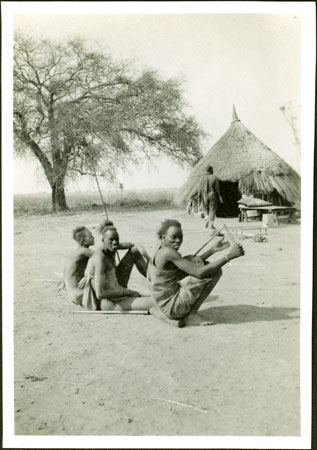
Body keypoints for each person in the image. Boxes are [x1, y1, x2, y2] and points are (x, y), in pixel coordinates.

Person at [147, 219, 244, 327]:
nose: (178, 240)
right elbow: (199, 273)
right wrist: (228, 257)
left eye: (180, 237)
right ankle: (192, 316)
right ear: (164, 237)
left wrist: (212, 250)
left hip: (162, 305)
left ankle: (185, 314)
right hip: (172, 308)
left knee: (194, 260)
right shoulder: (168, 253)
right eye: (174, 237)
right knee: (214, 272)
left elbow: (188, 266)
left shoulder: (161, 249)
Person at [82, 221, 153, 311]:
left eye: (117, 239)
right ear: (103, 240)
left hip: (117, 290)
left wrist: (145, 254)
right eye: (111, 239)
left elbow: (130, 245)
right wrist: (128, 292)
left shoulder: (110, 247)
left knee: (134, 251)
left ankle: (156, 282)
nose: (115, 243)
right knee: (158, 302)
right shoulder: (100, 258)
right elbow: (100, 294)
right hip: (110, 302)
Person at [63, 226, 95, 306]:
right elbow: (102, 257)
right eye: (91, 236)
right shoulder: (84, 251)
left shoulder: (75, 253)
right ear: (83, 241)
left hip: (72, 296)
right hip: (81, 295)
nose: (93, 237)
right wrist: (90, 274)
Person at [199, 165, 223, 230]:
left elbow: (199, 188)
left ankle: (206, 217)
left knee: (204, 207)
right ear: (211, 170)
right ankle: (212, 225)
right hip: (212, 194)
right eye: (212, 170)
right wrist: (220, 196)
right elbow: (217, 188)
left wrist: (199, 196)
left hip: (204, 194)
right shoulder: (215, 178)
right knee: (212, 209)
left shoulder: (202, 178)